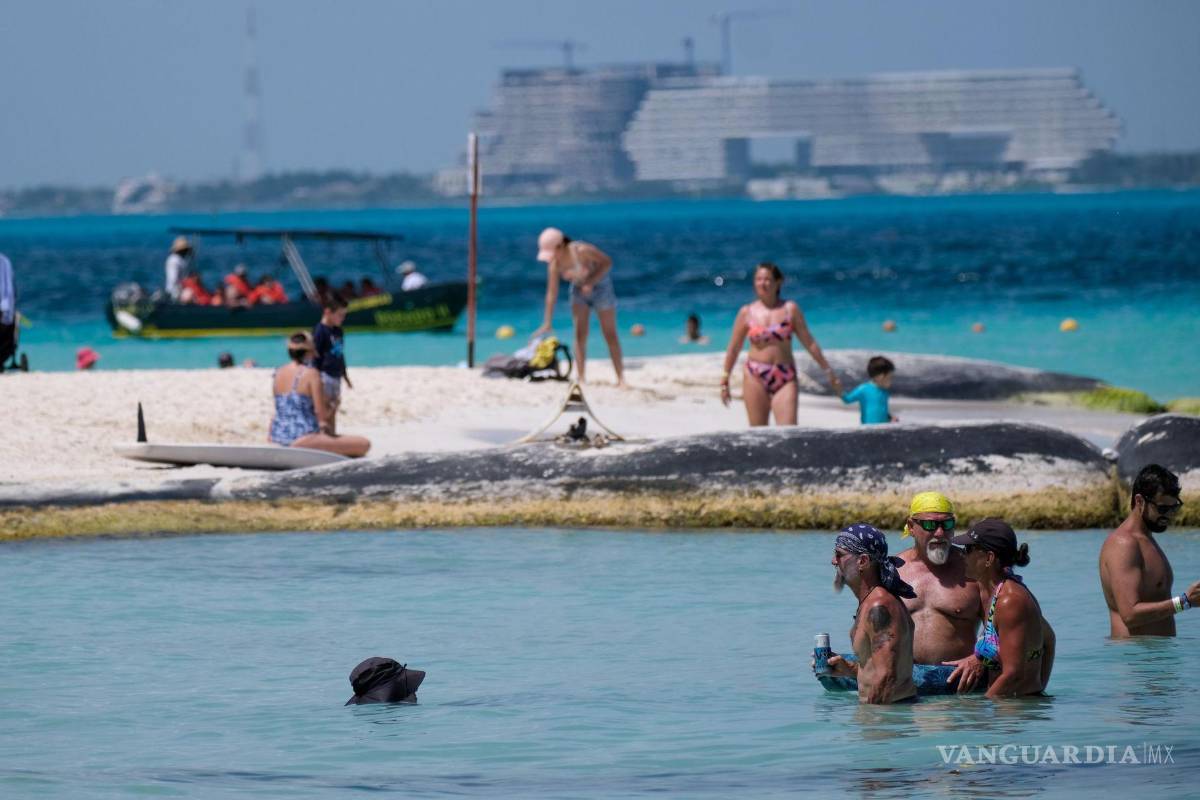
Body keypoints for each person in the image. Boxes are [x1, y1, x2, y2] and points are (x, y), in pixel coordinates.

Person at [720, 262, 842, 425]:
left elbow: (809, 343)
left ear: (778, 282)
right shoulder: (746, 312)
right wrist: (725, 379)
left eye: (767, 279)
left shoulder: (790, 309)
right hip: (755, 374)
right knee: (758, 435)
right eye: (758, 279)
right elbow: (734, 348)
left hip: (785, 375)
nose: (762, 283)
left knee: (788, 434)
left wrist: (828, 370)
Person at [951, 518, 1055, 698]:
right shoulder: (995, 592)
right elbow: (1049, 639)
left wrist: (985, 706)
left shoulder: (1011, 601)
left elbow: (1012, 674)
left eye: (968, 550)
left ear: (989, 558)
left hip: (1015, 710)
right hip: (1009, 704)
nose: (963, 555)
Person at [896, 491, 988, 693]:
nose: (939, 533)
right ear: (911, 527)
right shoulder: (892, 570)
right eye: (929, 525)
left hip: (961, 688)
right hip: (906, 687)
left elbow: (1001, 624)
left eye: (946, 524)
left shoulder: (974, 570)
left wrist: (979, 658)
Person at [1099, 464, 1198, 637]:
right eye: (1162, 509)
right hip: (1136, 658)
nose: (1169, 516)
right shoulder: (1124, 544)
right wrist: (1185, 602)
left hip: (1155, 658)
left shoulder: (1146, 539)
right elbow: (1130, 615)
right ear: (1139, 501)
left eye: (1174, 508)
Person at [824, 523, 917, 704]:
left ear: (863, 561)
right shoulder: (870, 603)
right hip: (886, 717)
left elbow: (887, 678)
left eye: (839, 555)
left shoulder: (879, 607)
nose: (834, 561)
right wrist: (848, 669)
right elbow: (879, 670)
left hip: (888, 721)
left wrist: (874, 725)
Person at [531, 227, 625, 387]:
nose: (550, 258)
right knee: (580, 335)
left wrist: (591, 281)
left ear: (560, 246)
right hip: (578, 291)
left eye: (551, 253)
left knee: (610, 334)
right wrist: (547, 322)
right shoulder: (554, 264)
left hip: (601, 288)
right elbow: (551, 294)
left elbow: (607, 262)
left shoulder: (581, 250)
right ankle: (581, 378)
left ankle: (621, 378)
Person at [269, 331, 369, 457]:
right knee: (363, 444)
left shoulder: (278, 372)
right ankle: (300, 447)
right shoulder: (312, 374)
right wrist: (333, 405)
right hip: (303, 438)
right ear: (309, 352)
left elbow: (279, 409)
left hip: (277, 435)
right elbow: (321, 417)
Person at [313, 293, 352, 434]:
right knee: (326, 406)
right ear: (328, 312)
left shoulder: (338, 331)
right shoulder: (320, 331)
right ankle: (323, 435)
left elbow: (340, 354)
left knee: (335, 405)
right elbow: (315, 357)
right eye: (340, 315)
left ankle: (332, 434)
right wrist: (316, 378)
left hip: (336, 374)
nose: (343, 318)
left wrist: (345, 375)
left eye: (344, 315)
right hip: (325, 374)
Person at [842, 355, 897, 424]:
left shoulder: (884, 391)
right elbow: (847, 399)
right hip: (868, 430)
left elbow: (880, 409)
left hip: (883, 430)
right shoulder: (864, 389)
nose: (891, 381)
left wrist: (890, 417)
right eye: (890, 378)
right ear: (880, 377)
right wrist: (836, 385)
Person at [164, 236, 193, 301]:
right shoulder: (174, 260)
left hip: (176, 290)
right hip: (175, 292)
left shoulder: (180, 260)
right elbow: (173, 279)